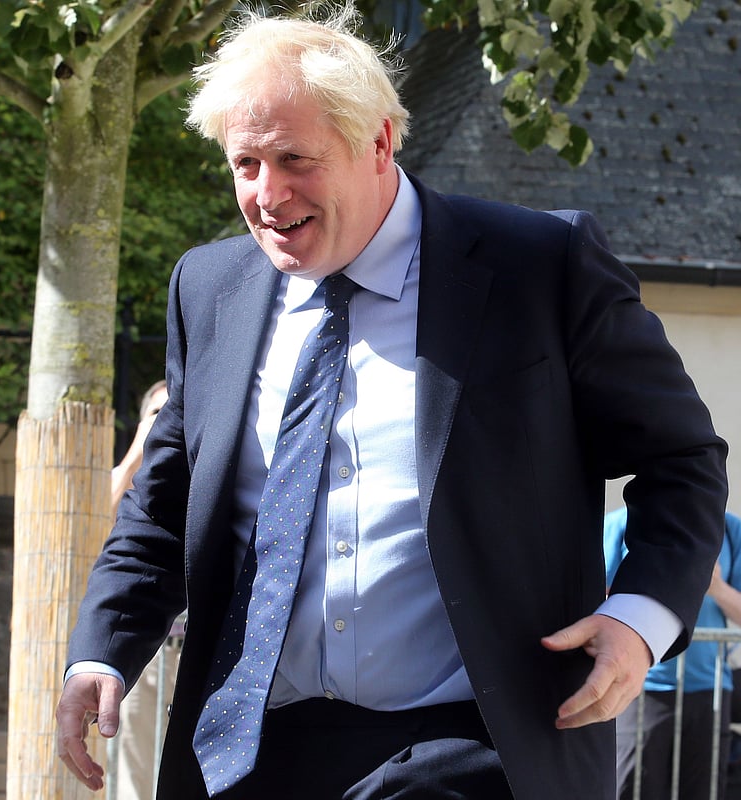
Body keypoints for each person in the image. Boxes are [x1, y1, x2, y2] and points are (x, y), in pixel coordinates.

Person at [55, 8, 728, 800]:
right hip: (249, 753)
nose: (266, 195)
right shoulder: (208, 291)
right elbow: (165, 513)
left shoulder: (537, 269)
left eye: (293, 159)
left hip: (475, 745)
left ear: (378, 141)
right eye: (244, 164)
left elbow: (680, 459)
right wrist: (100, 651)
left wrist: (640, 616)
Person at [606, 508, 741, 800]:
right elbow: (598, 597)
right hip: (641, 687)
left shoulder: (731, 530)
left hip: (711, 691)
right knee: (632, 790)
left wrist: (715, 588)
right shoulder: (621, 523)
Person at [111, 381, 180, 800]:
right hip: (146, 655)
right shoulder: (127, 479)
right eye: (158, 412)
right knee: (134, 775)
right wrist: (140, 448)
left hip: (200, 652)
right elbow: (88, 524)